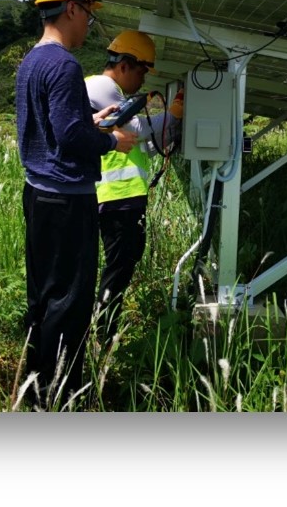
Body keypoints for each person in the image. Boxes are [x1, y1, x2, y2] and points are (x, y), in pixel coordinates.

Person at [15, 0, 137, 410]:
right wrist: (111, 139)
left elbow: (51, 129)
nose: (90, 22)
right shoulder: (64, 64)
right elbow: (69, 138)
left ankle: (36, 392)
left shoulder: (32, 61)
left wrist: (88, 122)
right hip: (69, 200)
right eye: (88, 12)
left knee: (43, 298)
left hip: (39, 195)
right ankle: (65, 399)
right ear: (72, 7)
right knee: (70, 305)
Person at [85, 30, 184, 345]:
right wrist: (174, 114)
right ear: (125, 64)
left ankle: (102, 327)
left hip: (123, 200)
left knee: (121, 267)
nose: (143, 79)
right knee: (118, 269)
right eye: (141, 70)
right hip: (118, 200)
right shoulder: (102, 87)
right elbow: (136, 128)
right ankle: (104, 332)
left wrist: (171, 128)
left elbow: (142, 143)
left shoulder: (114, 93)